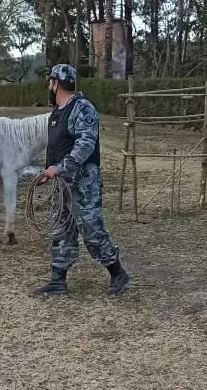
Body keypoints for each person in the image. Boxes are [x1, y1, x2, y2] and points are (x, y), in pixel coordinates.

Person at [31, 63, 130, 297]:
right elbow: (56, 147)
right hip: (62, 184)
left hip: (83, 183)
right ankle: (58, 281)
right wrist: (49, 171)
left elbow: (85, 144)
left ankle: (117, 273)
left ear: (56, 83)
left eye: (50, 82)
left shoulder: (82, 108)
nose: (48, 86)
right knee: (62, 229)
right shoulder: (57, 112)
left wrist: (62, 167)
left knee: (92, 230)